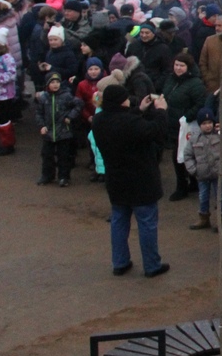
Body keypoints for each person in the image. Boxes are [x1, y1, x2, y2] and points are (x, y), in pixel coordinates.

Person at [93, 84, 170, 277]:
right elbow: (154, 130)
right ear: (121, 101)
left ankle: (119, 262)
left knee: (119, 221)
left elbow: (122, 121)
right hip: (141, 181)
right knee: (147, 224)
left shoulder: (99, 120)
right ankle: (152, 265)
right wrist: (160, 111)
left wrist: (139, 110)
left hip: (116, 181)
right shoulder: (130, 123)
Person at [34, 72, 78, 187]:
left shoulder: (66, 95)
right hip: (48, 132)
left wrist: (70, 117)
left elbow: (78, 105)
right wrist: (41, 125)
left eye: (57, 82)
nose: (55, 85)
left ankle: (64, 177)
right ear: (47, 84)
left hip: (63, 132)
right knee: (47, 155)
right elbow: (39, 113)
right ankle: (47, 175)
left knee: (63, 156)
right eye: (52, 82)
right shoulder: (43, 98)